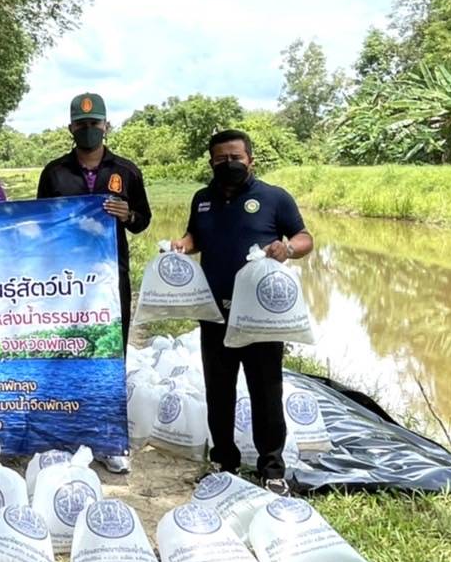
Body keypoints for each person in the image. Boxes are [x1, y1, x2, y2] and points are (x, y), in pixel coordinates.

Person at [170, 129, 313, 496]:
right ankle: (224, 462)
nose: (229, 164)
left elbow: (304, 238)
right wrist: (183, 246)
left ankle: (271, 468)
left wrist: (288, 249)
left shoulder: (274, 197)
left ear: (250, 159)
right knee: (218, 390)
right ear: (211, 162)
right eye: (220, 159)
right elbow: (194, 236)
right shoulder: (202, 199)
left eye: (235, 157)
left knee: (266, 390)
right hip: (215, 311)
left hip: (260, 317)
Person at [36, 92, 152, 474]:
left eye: (95, 124)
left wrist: (127, 213)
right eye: (81, 125)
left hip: (108, 279)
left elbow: (143, 220)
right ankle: (67, 435)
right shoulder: (54, 172)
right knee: (68, 351)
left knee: (108, 355)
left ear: (106, 126)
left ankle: (108, 439)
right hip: (65, 282)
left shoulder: (127, 171)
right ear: (71, 128)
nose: (88, 130)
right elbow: (41, 223)